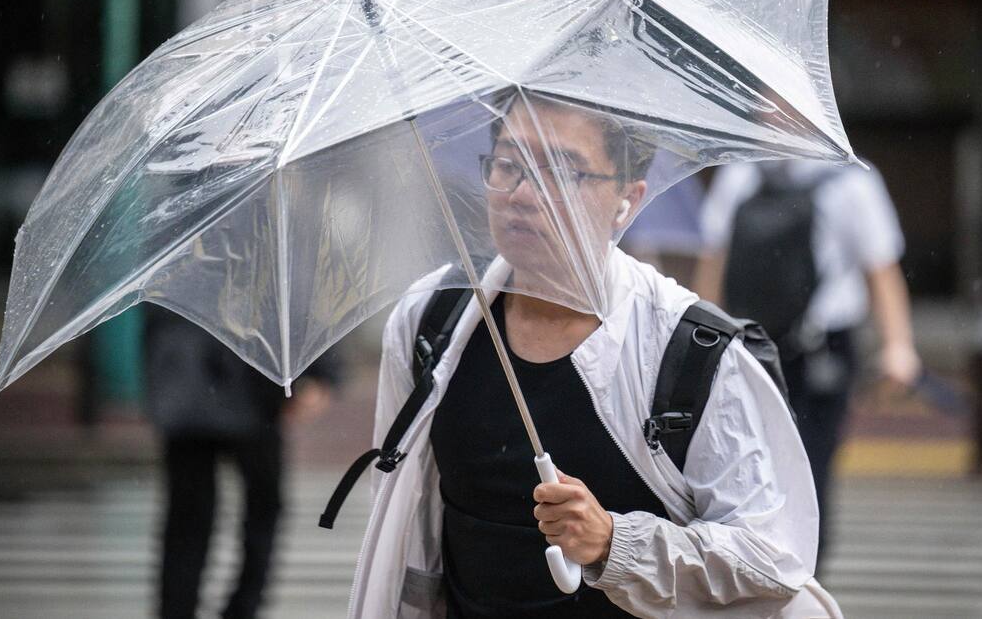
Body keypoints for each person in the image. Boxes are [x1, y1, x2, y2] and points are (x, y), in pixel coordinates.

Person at [349, 94, 840, 618]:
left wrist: (615, 544)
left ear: (627, 198)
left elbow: (770, 561)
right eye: (508, 165)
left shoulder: (692, 353)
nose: (522, 193)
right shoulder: (431, 320)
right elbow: (403, 515)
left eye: (563, 172)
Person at [697, 158, 921, 558]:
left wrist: (700, 335)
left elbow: (712, 264)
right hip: (811, 350)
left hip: (756, 347)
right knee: (803, 469)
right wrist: (898, 347)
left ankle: (777, 567)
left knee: (754, 467)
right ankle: (796, 569)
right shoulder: (850, 179)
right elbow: (882, 270)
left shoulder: (741, 175)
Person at [146, 306, 336, 619]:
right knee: (257, 511)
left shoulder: (172, 262)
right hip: (245, 390)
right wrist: (319, 372)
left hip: (193, 393)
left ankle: (184, 607)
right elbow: (298, 299)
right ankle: (237, 606)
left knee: (191, 519)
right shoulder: (263, 263)